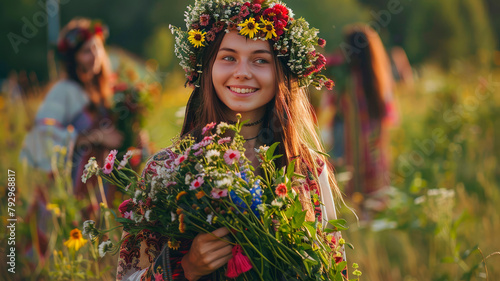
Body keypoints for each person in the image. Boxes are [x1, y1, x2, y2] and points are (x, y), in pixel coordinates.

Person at [116, 1, 344, 280]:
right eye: (228, 57)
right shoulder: (165, 169)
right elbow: (127, 275)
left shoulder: (307, 168)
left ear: (280, 72)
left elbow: (334, 269)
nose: (243, 72)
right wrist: (186, 267)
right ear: (208, 67)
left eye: (260, 60)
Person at [20, 18, 124, 200]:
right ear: (72, 58)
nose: (95, 55)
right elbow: (43, 132)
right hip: (74, 187)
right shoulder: (63, 90)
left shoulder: (103, 90)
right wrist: (96, 137)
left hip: (102, 184)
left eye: (97, 47)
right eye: (86, 51)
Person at [319, 24, 397, 215]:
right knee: (370, 177)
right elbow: (386, 111)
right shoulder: (374, 74)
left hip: (344, 134)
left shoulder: (343, 72)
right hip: (371, 134)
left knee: (344, 175)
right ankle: (366, 216)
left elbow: (330, 100)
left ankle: (348, 217)